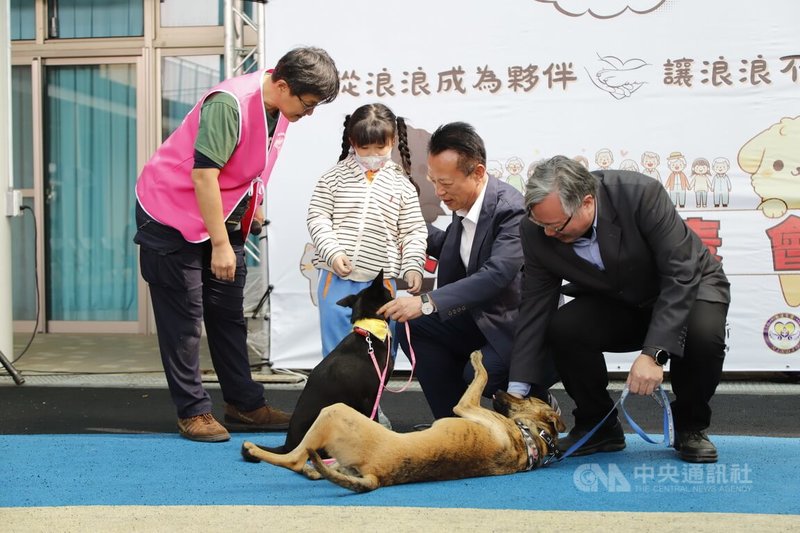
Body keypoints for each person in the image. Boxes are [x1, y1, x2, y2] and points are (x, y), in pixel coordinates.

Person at [133, 47, 340, 443]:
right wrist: (221, 245)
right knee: (186, 318)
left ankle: (245, 403)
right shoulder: (230, 105)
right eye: (308, 105)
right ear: (282, 85)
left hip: (217, 215)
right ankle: (193, 411)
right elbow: (204, 177)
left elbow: (251, 167)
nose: (309, 114)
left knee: (227, 312)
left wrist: (255, 206)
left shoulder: (279, 107)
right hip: (169, 212)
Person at [513, 155, 730, 463]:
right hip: (618, 298)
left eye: (556, 226)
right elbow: (535, 305)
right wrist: (518, 388)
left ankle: (691, 427)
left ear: (587, 202)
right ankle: (598, 425)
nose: (548, 234)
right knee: (564, 327)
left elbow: (680, 274)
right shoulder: (536, 229)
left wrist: (654, 352)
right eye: (541, 225)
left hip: (689, 288)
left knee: (702, 334)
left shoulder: (640, 195)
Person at [379, 122, 554, 420]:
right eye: (434, 182)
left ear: (478, 173)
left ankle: (538, 399)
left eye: (445, 184)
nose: (438, 192)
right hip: (477, 318)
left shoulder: (511, 210)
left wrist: (426, 301)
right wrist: (405, 230)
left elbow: (496, 273)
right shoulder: (465, 204)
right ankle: (453, 426)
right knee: (413, 328)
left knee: (476, 372)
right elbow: (451, 245)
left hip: (513, 327)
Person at [306, 103, 427, 359]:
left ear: (393, 141)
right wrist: (333, 252)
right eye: (364, 147)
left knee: (379, 353)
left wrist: (414, 265)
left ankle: (374, 401)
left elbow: (413, 231)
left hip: (380, 284)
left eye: (380, 147)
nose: (372, 153)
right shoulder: (332, 177)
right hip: (336, 279)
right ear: (352, 142)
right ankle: (336, 400)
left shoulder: (402, 185)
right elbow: (318, 217)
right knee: (336, 352)